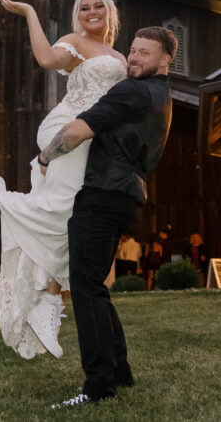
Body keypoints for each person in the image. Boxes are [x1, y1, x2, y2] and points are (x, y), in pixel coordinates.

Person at [0, 0, 126, 359]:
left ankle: (48, 298)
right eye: (84, 8)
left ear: (110, 12)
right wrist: (30, 11)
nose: (91, 12)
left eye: (98, 7)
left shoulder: (118, 55)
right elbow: (47, 59)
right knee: (63, 207)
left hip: (90, 139)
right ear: (77, 15)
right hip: (65, 129)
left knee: (70, 215)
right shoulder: (74, 42)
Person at [39, 26, 176, 409]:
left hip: (102, 194)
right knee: (94, 285)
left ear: (165, 59)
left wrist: (46, 156)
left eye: (144, 53)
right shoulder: (162, 95)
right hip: (127, 195)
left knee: (84, 287)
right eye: (132, 50)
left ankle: (98, 386)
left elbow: (79, 130)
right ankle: (120, 372)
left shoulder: (131, 91)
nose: (133, 58)